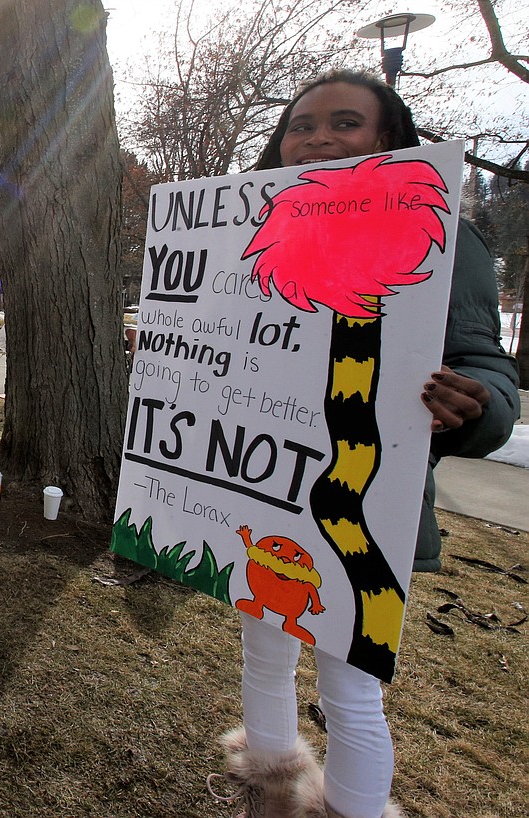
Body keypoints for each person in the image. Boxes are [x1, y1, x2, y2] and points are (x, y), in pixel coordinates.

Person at [209, 70, 520, 818]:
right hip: (269, 491)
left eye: (344, 123)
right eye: (300, 125)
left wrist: (475, 410)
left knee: (349, 687)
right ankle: (270, 785)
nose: (317, 137)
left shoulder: (438, 225)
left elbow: (486, 367)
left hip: (363, 504)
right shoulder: (244, 235)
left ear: (386, 137)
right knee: (266, 648)